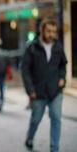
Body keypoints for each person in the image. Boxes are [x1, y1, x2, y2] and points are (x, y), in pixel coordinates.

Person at [21, 19, 67, 152]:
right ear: (41, 31)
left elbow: (63, 64)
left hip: (55, 91)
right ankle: (29, 138)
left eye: (53, 31)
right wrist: (30, 90)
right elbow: (25, 70)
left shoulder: (58, 46)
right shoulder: (32, 47)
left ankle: (54, 148)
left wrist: (62, 77)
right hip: (38, 92)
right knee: (35, 119)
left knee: (56, 118)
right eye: (48, 31)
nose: (51, 34)